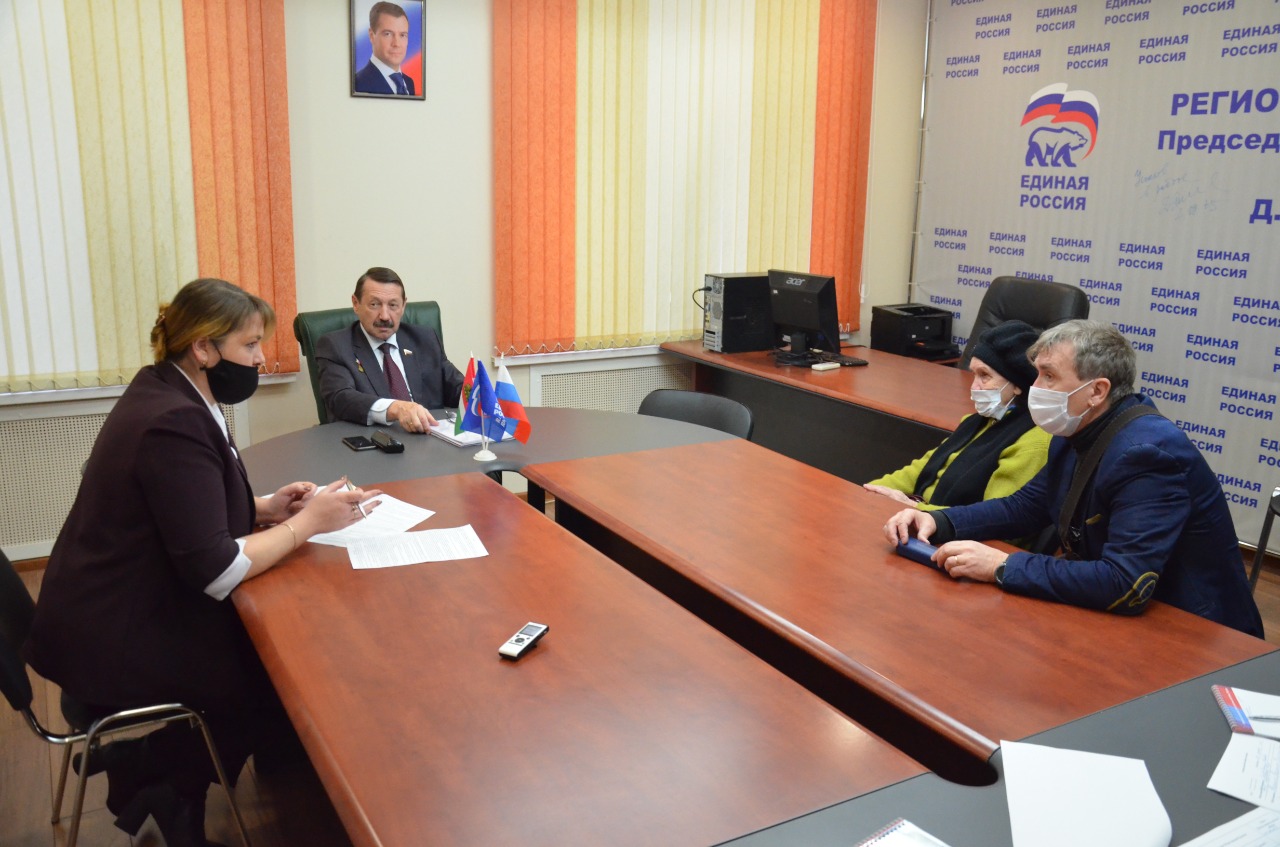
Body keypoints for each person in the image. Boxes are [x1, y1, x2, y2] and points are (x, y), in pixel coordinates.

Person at [24, 278, 381, 846]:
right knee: (286, 674)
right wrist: (306, 525)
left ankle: (164, 778)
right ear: (203, 348)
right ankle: (155, 767)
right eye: (250, 345)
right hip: (114, 640)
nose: (261, 359)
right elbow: (216, 570)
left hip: (109, 609)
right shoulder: (173, 421)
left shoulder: (167, 391)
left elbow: (180, 508)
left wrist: (263, 507)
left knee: (277, 657)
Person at [883, 319, 1263, 637]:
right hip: (1121, 615)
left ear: (1097, 391)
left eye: (1049, 376)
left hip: (1198, 636)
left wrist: (1002, 565)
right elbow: (1025, 507)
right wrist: (940, 521)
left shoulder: (1147, 455)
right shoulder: (1078, 430)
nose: (1035, 388)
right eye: (1037, 374)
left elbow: (1125, 582)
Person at [864, 320, 1050, 512]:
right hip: (925, 517)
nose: (974, 386)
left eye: (984, 376)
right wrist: (870, 491)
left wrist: (915, 509)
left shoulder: (1033, 442)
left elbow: (994, 517)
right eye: (974, 374)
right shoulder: (976, 422)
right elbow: (921, 468)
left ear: (1017, 384)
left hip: (947, 527)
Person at [315, 266, 465, 433]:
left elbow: (457, 387)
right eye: (374, 304)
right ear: (356, 304)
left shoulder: (424, 339)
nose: (385, 316)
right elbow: (341, 398)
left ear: (403, 306)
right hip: (375, 442)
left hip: (431, 437)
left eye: (393, 305)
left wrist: (480, 394)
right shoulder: (335, 346)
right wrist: (396, 408)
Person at [353, 2, 415, 96]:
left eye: (402, 35)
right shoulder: (358, 83)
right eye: (387, 34)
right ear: (371, 36)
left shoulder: (409, 83)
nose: (396, 44)